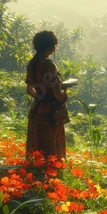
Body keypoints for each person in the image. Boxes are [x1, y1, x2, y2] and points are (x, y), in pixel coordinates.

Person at [25, 30, 69, 161]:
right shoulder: (49, 65)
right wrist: (64, 94)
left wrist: (40, 97)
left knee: (37, 145)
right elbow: (56, 93)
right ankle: (52, 171)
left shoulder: (31, 64)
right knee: (52, 147)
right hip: (51, 114)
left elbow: (29, 89)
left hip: (36, 111)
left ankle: (35, 168)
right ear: (51, 47)